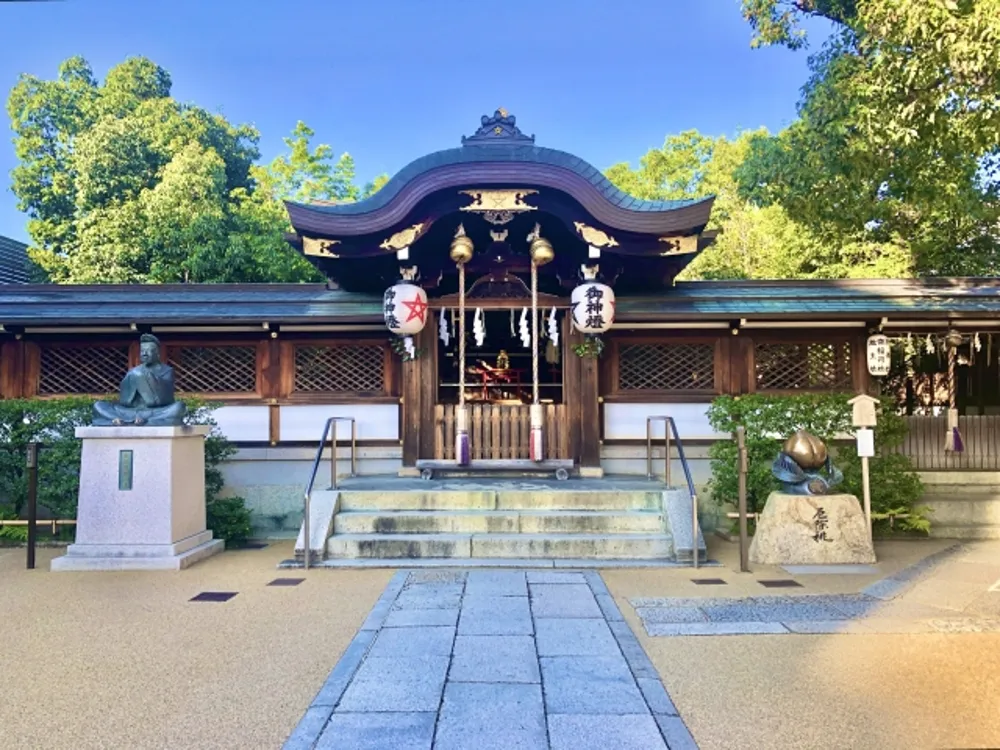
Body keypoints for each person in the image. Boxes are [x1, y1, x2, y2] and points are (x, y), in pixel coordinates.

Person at [92, 334, 187, 426]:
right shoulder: (133, 371)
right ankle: (124, 420)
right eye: (142, 351)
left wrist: (147, 378)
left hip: (153, 412)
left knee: (178, 407)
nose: (144, 353)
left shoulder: (166, 371)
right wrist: (133, 379)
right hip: (130, 412)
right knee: (99, 406)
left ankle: (140, 421)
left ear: (157, 353)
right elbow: (125, 400)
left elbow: (165, 399)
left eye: (149, 351)